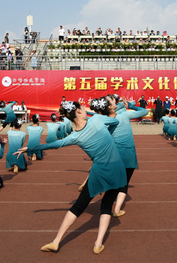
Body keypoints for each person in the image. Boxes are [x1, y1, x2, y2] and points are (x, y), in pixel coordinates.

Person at [14, 101, 126, 254]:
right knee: (106, 206)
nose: (86, 110)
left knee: (78, 206)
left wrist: (31, 148)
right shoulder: (98, 119)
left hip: (99, 171)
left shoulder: (75, 136)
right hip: (117, 169)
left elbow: (54, 145)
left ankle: (56, 241)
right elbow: (115, 120)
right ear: (79, 112)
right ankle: (98, 244)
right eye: (83, 108)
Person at [100, 96, 148, 218]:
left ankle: (107, 204)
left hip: (114, 156)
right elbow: (144, 111)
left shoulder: (104, 121)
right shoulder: (124, 116)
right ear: (110, 106)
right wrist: (130, 106)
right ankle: (117, 209)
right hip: (128, 156)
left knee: (115, 181)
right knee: (124, 183)